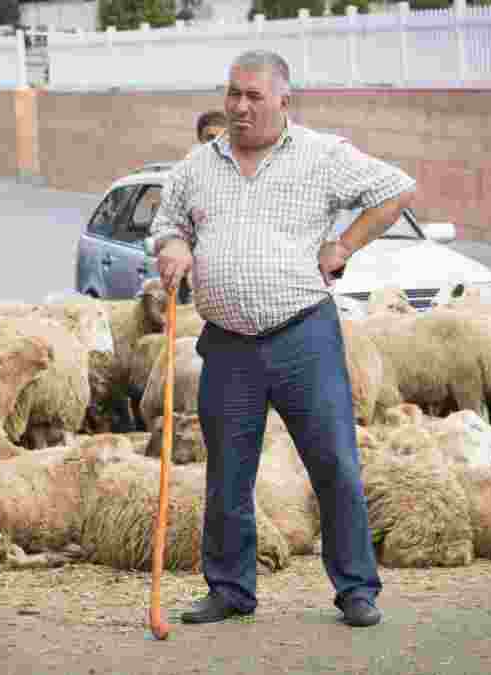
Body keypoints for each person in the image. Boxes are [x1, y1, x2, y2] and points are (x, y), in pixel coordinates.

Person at [146, 49, 416, 629]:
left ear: (283, 102)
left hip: (303, 337)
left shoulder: (322, 156)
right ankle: (230, 590)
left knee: (335, 465)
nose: (240, 107)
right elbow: (168, 224)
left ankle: (355, 590)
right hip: (227, 345)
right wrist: (173, 246)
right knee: (227, 473)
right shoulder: (197, 166)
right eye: (233, 94)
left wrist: (342, 246)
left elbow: (395, 189)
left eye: (254, 97)